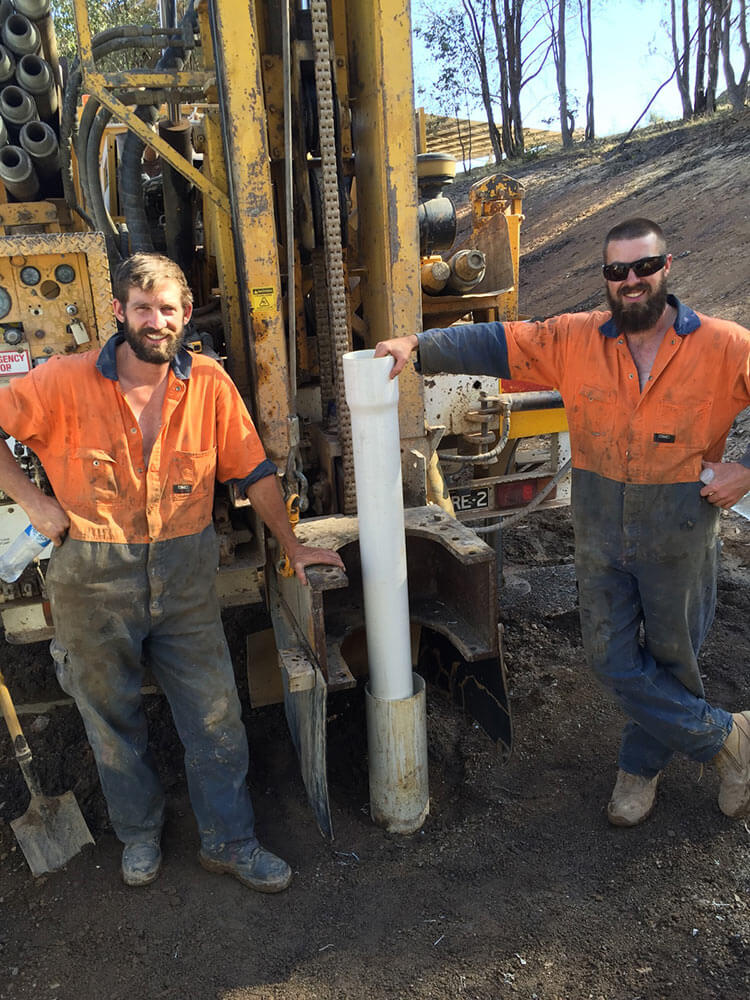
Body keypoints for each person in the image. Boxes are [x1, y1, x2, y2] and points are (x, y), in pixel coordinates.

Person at [375, 217, 750, 827]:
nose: (631, 280)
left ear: (666, 267)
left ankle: (639, 769)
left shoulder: (724, 344)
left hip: (679, 528)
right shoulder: (575, 339)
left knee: (673, 658)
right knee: (609, 658)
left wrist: (744, 471)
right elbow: (500, 341)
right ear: (606, 277)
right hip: (600, 527)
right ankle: (729, 741)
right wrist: (417, 346)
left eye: (643, 267)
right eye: (617, 271)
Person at [0, 252, 344, 889]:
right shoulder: (62, 379)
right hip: (92, 576)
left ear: (186, 315)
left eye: (166, 309)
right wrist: (33, 501)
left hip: (185, 576)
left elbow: (254, 471)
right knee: (111, 719)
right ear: (119, 312)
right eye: (142, 308)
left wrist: (293, 546)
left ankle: (230, 840)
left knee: (215, 714)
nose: (155, 321)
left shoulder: (208, 382)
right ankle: (138, 835)